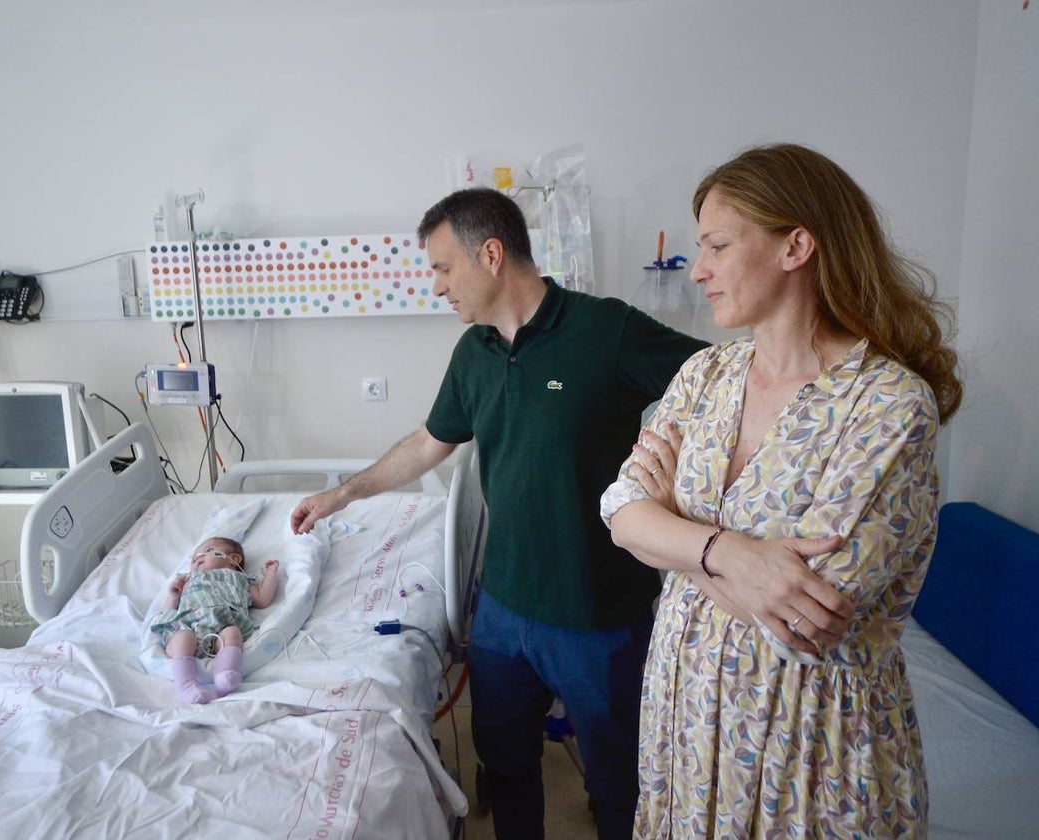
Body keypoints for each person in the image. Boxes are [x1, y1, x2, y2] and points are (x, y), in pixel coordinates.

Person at [290, 187, 706, 840]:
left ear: (490, 255)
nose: (437, 286)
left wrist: (674, 471)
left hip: (597, 612)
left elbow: (715, 385)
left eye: (442, 267)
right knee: (507, 766)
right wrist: (344, 493)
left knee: (619, 778)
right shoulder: (473, 355)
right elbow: (430, 441)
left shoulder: (605, 332)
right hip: (505, 611)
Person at [601, 143, 962, 838]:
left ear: (796, 245)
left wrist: (669, 538)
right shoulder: (706, 375)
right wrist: (733, 554)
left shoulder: (886, 404)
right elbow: (618, 510)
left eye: (718, 246)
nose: (699, 270)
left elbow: (805, 618)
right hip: (686, 721)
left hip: (809, 745)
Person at [148, 536, 280, 704]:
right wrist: (174, 594)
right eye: (194, 559)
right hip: (188, 626)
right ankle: (187, 686)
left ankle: (224, 674)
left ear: (234, 559)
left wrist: (271, 575)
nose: (198, 558)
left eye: (208, 551)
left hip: (224, 626)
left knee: (233, 633)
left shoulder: (241, 580)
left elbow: (263, 599)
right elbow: (167, 612)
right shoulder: (188, 580)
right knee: (183, 638)